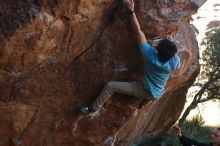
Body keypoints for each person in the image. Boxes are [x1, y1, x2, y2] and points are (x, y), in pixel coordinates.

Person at [80, 0, 180, 116]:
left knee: (110, 86)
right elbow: (171, 54)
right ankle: (142, 105)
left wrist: (131, 11)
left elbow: (138, 31)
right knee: (152, 95)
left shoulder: (148, 55)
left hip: (145, 90)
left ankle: (92, 109)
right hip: (158, 92)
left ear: (157, 50)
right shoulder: (175, 61)